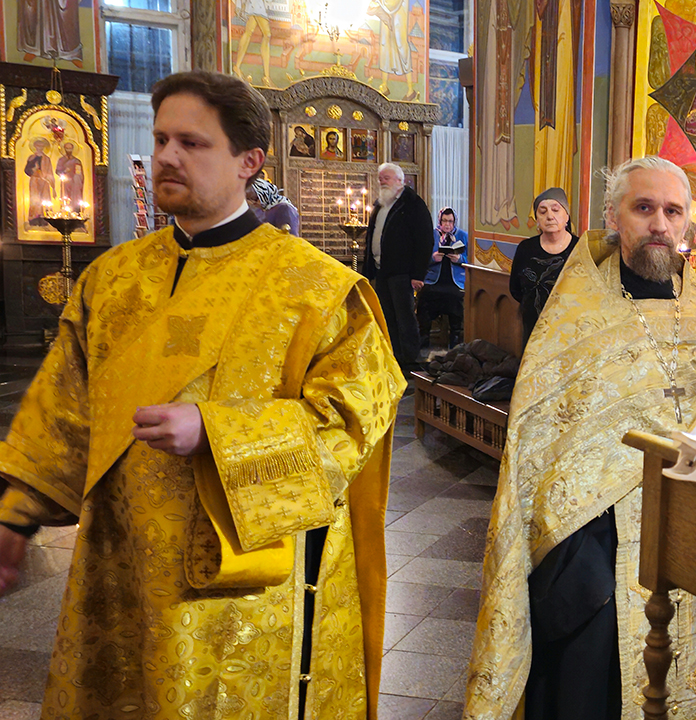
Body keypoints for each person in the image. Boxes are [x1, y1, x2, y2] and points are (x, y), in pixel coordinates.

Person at [0, 70, 403, 718]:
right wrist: (16, 514)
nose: (167, 156)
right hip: (120, 563)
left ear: (249, 162)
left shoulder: (318, 287)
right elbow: (63, 413)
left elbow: (353, 421)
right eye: (162, 140)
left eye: (192, 143)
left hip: (241, 579)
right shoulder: (112, 281)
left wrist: (216, 433)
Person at [467, 155, 696, 720]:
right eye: (644, 207)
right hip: (599, 541)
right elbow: (547, 437)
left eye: (673, 211)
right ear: (613, 216)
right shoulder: (577, 313)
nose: (660, 223)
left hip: (694, 535)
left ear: (686, 223)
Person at [363, 161, 433, 370]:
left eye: (386, 178)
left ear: (400, 180)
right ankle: (393, 358)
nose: (382, 182)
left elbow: (424, 240)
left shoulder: (413, 204)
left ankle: (410, 361)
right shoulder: (381, 204)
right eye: (380, 178)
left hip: (403, 272)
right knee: (387, 316)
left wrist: (418, 274)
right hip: (382, 270)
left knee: (405, 318)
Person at [509, 187, 578, 344]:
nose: (550, 216)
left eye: (556, 210)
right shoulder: (525, 249)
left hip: (570, 332)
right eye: (543, 211)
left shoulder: (580, 248)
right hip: (533, 329)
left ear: (566, 216)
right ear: (537, 220)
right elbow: (515, 289)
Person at [417, 207, 467, 348]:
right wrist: (433, 258)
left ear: (454, 222)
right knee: (425, 298)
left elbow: (471, 259)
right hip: (434, 280)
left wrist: (459, 259)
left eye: (450, 221)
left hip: (455, 281)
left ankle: (455, 338)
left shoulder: (462, 235)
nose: (447, 225)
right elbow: (421, 259)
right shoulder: (432, 235)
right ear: (439, 221)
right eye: (444, 221)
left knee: (455, 299)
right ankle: (424, 337)